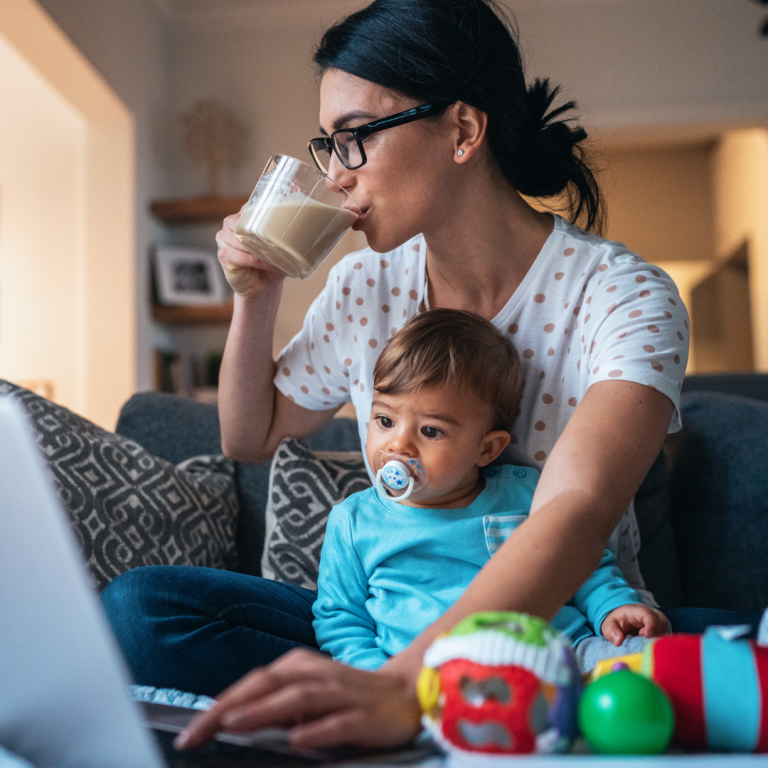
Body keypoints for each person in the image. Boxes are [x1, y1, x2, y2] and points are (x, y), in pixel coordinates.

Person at [100, 0, 756, 752]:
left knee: (720, 666)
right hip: (389, 636)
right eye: (328, 147)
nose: (337, 177)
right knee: (141, 609)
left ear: (463, 130)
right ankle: (389, 709)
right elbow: (250, 436)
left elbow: (572, 510)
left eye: (355, 141)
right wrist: (258, 296)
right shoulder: (361, 286)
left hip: (563, 631)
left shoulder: (623, 297)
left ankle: (409, 711)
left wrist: (408, 684)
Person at [313, 308, 669, 673]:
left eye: (430, 431)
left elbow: (583, 567)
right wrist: (376, 681)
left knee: (648, 664)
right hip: (427, 681)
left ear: (487, 449)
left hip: (560, 657)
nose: (398, 445)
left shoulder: (528, 493)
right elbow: (341, 620)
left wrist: (614, 607)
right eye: (385, 421)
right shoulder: (353, 523)